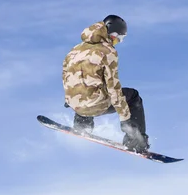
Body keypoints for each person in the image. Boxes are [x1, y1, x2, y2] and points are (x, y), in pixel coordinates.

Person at [62, 14, 150, 153]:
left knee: (89, 87)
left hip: (76, 105)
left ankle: (82, 126)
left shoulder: (74, 50)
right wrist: (125, 119)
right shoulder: (108, 52)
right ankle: (136, 141)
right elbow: (114, 88)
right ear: (112, 35)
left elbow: (67, 76)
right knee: (133, 96)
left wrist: (69, 99)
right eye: (118, 40)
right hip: (96, 105)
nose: (116, 43)